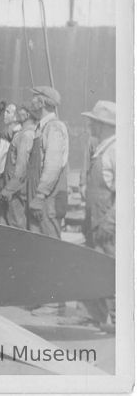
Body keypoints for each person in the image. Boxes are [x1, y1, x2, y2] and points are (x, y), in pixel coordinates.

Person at [79, 100, 116, 331]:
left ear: (104, 126)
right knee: (97, 269)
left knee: (110, 270)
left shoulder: (115, 150)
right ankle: (103, 319)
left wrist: (110, 223)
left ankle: (119, 321)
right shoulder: (102, 148)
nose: (90, 126)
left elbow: (126, 194)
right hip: (95, 222)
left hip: (107, 225)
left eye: (94, 122)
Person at [25, 86, 68, 239]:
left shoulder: (54, 127)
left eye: (33, 98)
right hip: (38, 199)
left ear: (41, 102)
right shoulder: (42, 127)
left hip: (46, 202)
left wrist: (39, 196)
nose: (30, 101)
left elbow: (53, 167)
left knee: (50, 248)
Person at [0, 102, 37, 229]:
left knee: (15, 225)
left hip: (15, 191)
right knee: (4, 225)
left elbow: (21, 167)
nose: (17, 112)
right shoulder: (21, 133)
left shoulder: (26, 135)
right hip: (11, 188)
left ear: (27, 115)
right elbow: (2, 132)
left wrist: (9, 189)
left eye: (21, 110)